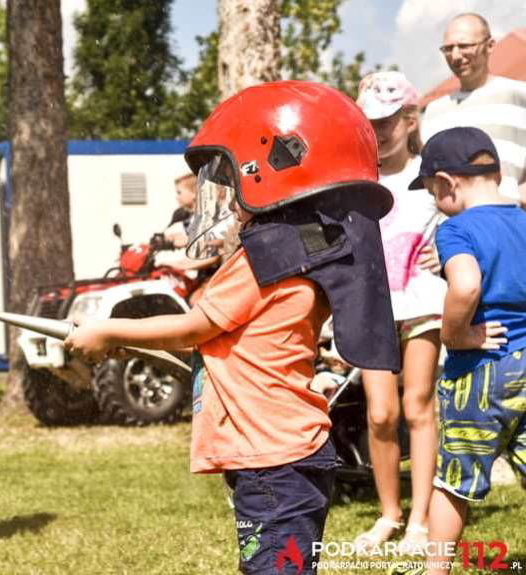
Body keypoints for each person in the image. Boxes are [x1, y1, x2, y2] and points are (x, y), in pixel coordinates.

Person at [65, 81, 401, 574]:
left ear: (272, 173)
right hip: (285, 456)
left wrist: (110, 331)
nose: (230, 200)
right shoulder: (305, 256)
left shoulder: (264, 259)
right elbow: (235, 344)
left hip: (271, 461)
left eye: (231, 182)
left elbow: (194, 326)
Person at [391, 128, 526, 575]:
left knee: (455, 481)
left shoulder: (457, 228)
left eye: (432, 193)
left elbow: (466, 284)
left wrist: (456, 335)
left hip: (482, 371)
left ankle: (436, 569)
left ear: (448, 184)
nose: (435, 203)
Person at [350, 72, 448, 555]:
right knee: (381, 414)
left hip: (423, 304)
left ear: (411, 120)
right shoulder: (355, 177)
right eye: (370, 124)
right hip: (371, 308)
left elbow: (465, 217)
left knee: (417, 407)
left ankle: (421, 519)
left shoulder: (431, 177)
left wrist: (447, 250)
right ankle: (389, 513)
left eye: (387, 122)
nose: (379, 132)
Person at [421, 12, 526, 207]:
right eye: (448, 48)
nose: (456, 55)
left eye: (464, 46)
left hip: (510, 222)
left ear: (490, 45)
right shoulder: (434, 111)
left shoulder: (519, 94)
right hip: (452, 229)